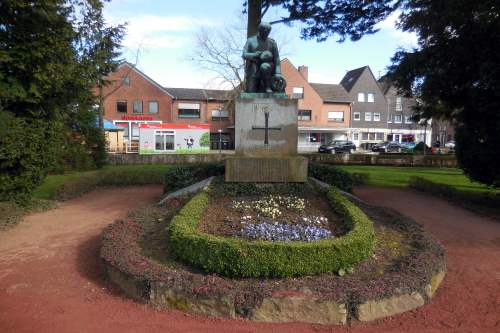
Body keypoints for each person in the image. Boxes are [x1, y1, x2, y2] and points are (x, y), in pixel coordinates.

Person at [242, 22, 286, 93]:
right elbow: (244, 54)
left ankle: (267, 86)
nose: (267, 33)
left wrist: (278, 73)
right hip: (254, 69)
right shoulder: (250, 41)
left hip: (268, 68)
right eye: (265, 31)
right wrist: (255, 55)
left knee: (264, 66)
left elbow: (276, 59)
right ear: (260, 30)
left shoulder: (272, 43)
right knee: (250, 92)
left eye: (268, 32)